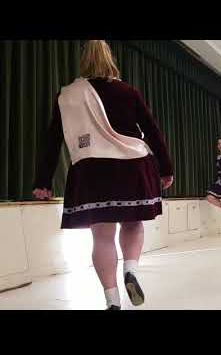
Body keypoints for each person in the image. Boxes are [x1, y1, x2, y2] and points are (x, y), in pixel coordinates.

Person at [32, 40, 173, 310]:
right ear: (110, 60)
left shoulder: (68, 95)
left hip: (92, 171)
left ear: (84, 61)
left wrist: (43, 180)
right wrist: (166, 168)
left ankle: (112, 300)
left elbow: (53, 140)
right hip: (132, 166)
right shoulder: (128, 91)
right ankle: (130, 270)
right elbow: (153, 131)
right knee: (132, 224)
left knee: (102, 237)